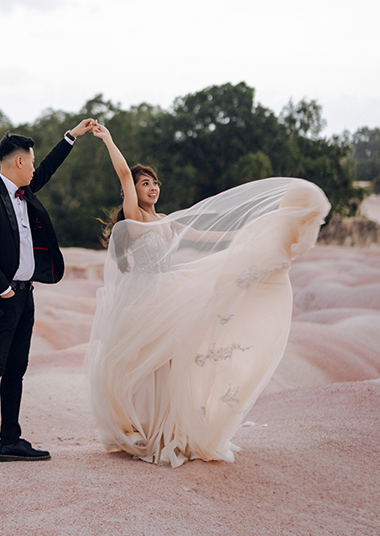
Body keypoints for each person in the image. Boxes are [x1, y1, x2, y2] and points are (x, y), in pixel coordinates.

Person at [87, 124, 330, 466]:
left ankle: (163, 429)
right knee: (141, 362)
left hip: (165, 292)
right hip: (142, 296)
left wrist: (252, 237)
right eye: (145, 184)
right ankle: (138, 428)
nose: (152, 187)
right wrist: (108, 139)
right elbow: (125, 173)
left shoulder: (167, 220)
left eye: (155, 182)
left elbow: (202, 236)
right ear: (134, 191)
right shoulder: (136, 216)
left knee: (169, 362)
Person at [0, 119, 98, 474]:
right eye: (30, 161)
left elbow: (47, 170)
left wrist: (71, 136)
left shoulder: (24, 192)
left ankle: (9, 441)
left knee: (16, 370)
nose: (33, 167)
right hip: (5, 297)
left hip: (26, 296)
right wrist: (6, 290)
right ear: (18, 162)